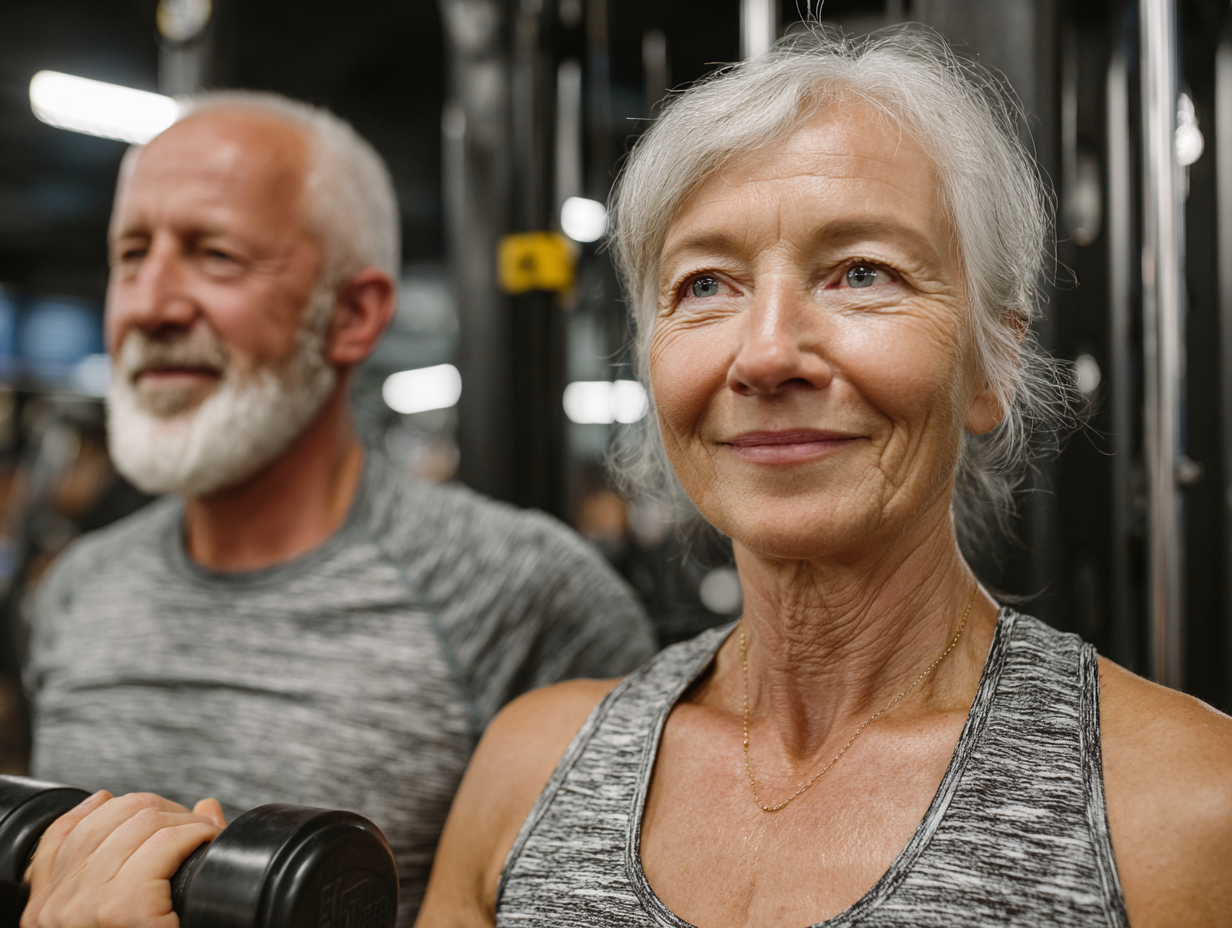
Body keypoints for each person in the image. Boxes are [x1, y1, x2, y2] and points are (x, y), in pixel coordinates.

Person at [19, 27, 1232, 928]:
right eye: (702, 285)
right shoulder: (529, 767)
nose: (764, 351)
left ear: (990, 361)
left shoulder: (1187, 811)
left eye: (859, 271)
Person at [22, 91, 655, 926]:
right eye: (130, 254)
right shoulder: (77, 589)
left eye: (214, 255)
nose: (149, 305)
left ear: (353, 315)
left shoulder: (524, 594)